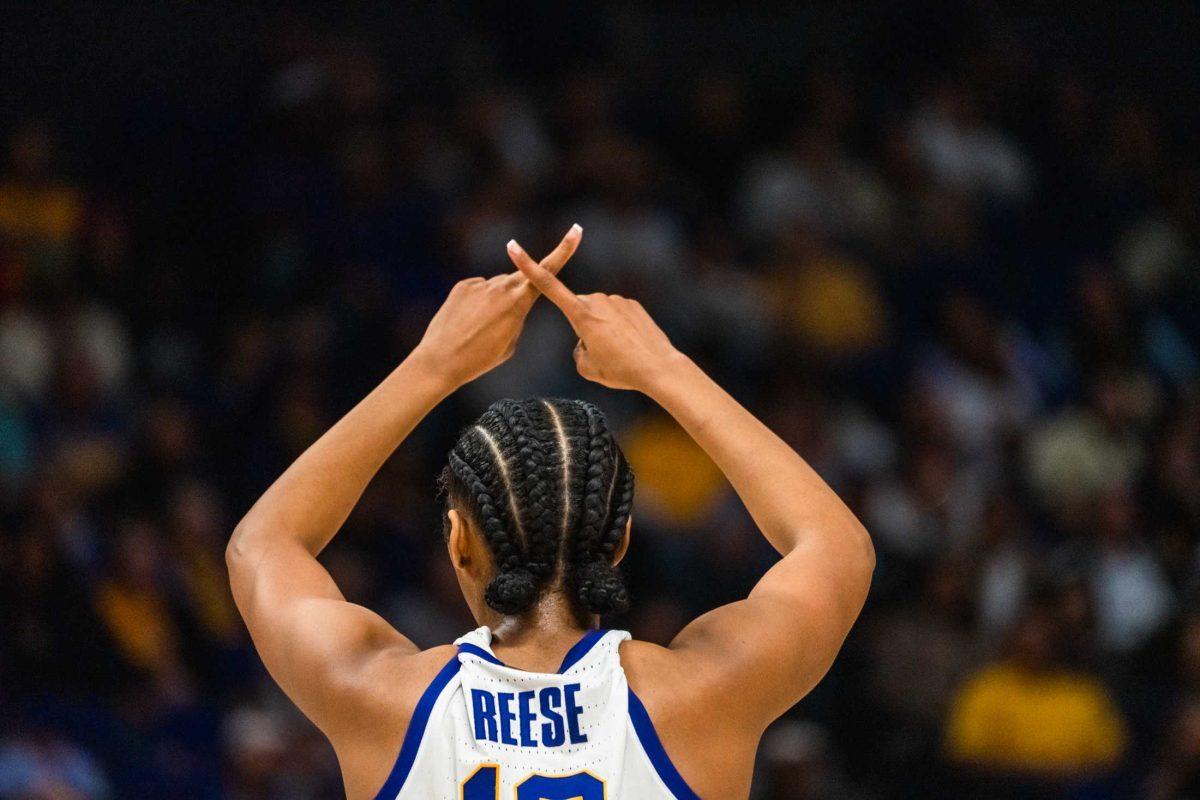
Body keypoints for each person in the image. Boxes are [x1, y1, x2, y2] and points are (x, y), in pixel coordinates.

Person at [226, 224, 875, 799]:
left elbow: (263, 546)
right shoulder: (702, 696)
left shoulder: (379, 698)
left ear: (457, 541)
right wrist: (664, 368)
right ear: (620, 539)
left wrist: (431, 367)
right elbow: (835, 547)